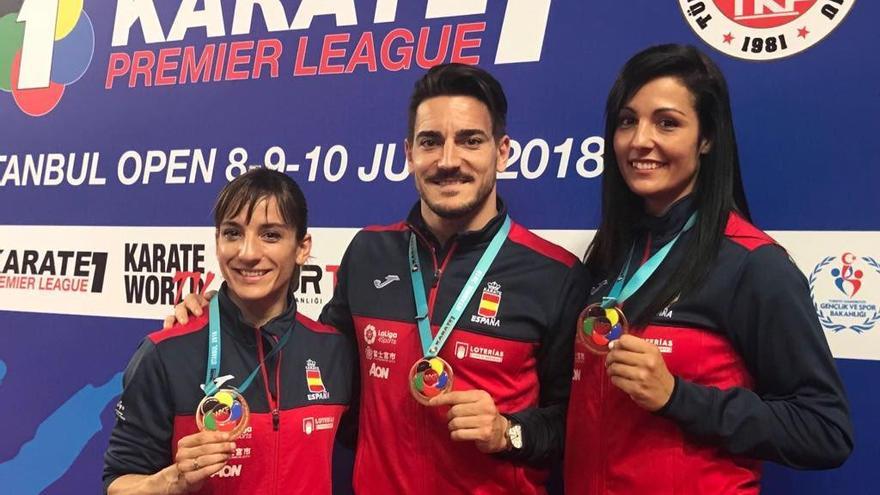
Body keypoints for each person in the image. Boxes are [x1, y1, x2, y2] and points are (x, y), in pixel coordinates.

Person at [169, 63, 587, 494]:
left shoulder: (552, 274)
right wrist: (220, 315)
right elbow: (312, 357)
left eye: (470, 141)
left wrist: (507, 431)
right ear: (409, 154)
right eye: (430, 142)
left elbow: (574, 425)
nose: (447, 160)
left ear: (501, 152)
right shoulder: (369, 252)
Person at [564, 44, 853, 494]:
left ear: (706, 138)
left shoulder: (752, 264)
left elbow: (825, 430)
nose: (640, 140)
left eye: (667, 122)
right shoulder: (608, 256)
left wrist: (678, 396)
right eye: (627, 121)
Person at [104, 168, 354, 494]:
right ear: (217, 241)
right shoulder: (165, 353)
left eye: (271, 235)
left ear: (302, 247)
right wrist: (172, 481)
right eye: (233, 233)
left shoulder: (332, 350)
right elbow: (118, 485)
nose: (247, 253)